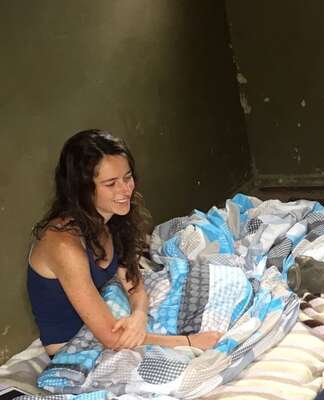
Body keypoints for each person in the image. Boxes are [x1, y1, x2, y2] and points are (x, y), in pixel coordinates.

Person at [27, 129, 221, 357]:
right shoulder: (64, 245)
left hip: (109, 327)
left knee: (209, 278)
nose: (126, 190)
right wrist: (188, 342)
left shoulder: (110, 219)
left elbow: (133, 283)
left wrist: (138, 317)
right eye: (111, 184)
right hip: (75, 349)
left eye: (127, 178)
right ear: (82, 189)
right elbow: (112, 337)